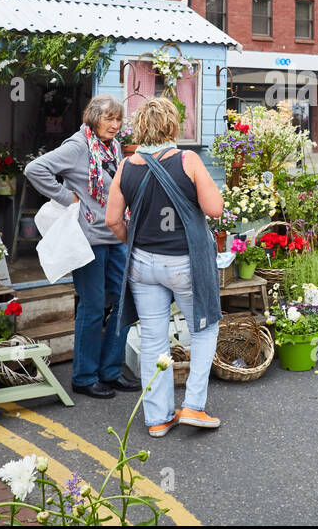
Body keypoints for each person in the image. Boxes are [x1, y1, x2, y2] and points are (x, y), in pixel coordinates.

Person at [106, 97, 225, 438]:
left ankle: (158, 418)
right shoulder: (188, 160)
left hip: (143, 265)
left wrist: (137, 239)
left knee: (153, 339)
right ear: (172, 126)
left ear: (140, 128)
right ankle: (193, 406)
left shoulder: (127, 166)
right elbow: (214, 209)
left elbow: (112, 219)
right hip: (185, 263)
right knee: (204, 328)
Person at [25, 95, 134, 399]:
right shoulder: (77, 146)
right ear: (93, 118)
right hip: (89, 239)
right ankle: (84, 377)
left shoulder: (111, 146)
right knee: (93, 305)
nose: (114, 125)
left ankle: (111, 371)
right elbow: (35, 169)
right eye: (108, 119)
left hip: (116, 235)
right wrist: (66, 197)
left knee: (125, 300)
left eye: (118, 119)